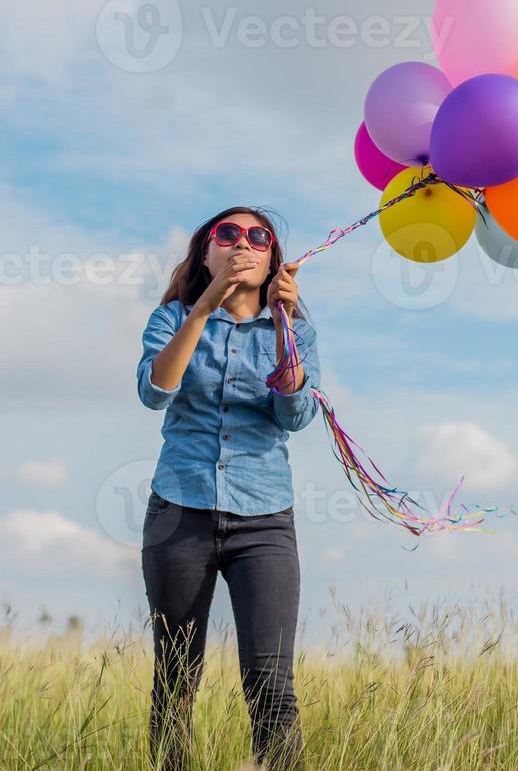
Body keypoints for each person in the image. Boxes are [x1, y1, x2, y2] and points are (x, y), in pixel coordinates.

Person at [137, 206, 320, 771]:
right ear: (206, 252)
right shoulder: (171, 317)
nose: (244, 243)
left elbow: (294, 415)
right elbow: (155, 392)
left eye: (259, 237)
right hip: (179, 511)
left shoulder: (296, 329)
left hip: (264, 518)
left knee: (271, 682)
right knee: (176, 679)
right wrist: (203, 308)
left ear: (272, 261)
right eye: (229, 234)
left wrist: (284, 323)